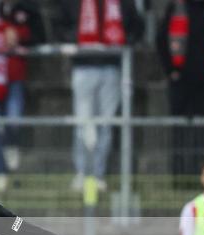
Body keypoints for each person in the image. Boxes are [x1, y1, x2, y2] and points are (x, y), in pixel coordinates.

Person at [56, 0, 144, 193]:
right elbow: (59, 24)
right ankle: (82, 172)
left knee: (106, 123)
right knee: (83, 123)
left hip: (111, 66)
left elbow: (137, 26)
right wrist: (76, 38)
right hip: (83, 65)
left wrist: (123, 40)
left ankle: (98, 174)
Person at [0, 0, 47, 193]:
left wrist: (19, 38)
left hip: (15, 76)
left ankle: (12, 143)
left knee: (14, 118)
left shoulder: (28, 8)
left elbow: (40, 37)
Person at [156, 0, 204, 180]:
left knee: (201, 132)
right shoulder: (175, 7)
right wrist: (171, 70)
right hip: (180, 81)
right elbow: (161, 39)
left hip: (203, 82)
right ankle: (179, 176)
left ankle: (199, 175)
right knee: (179, 131)